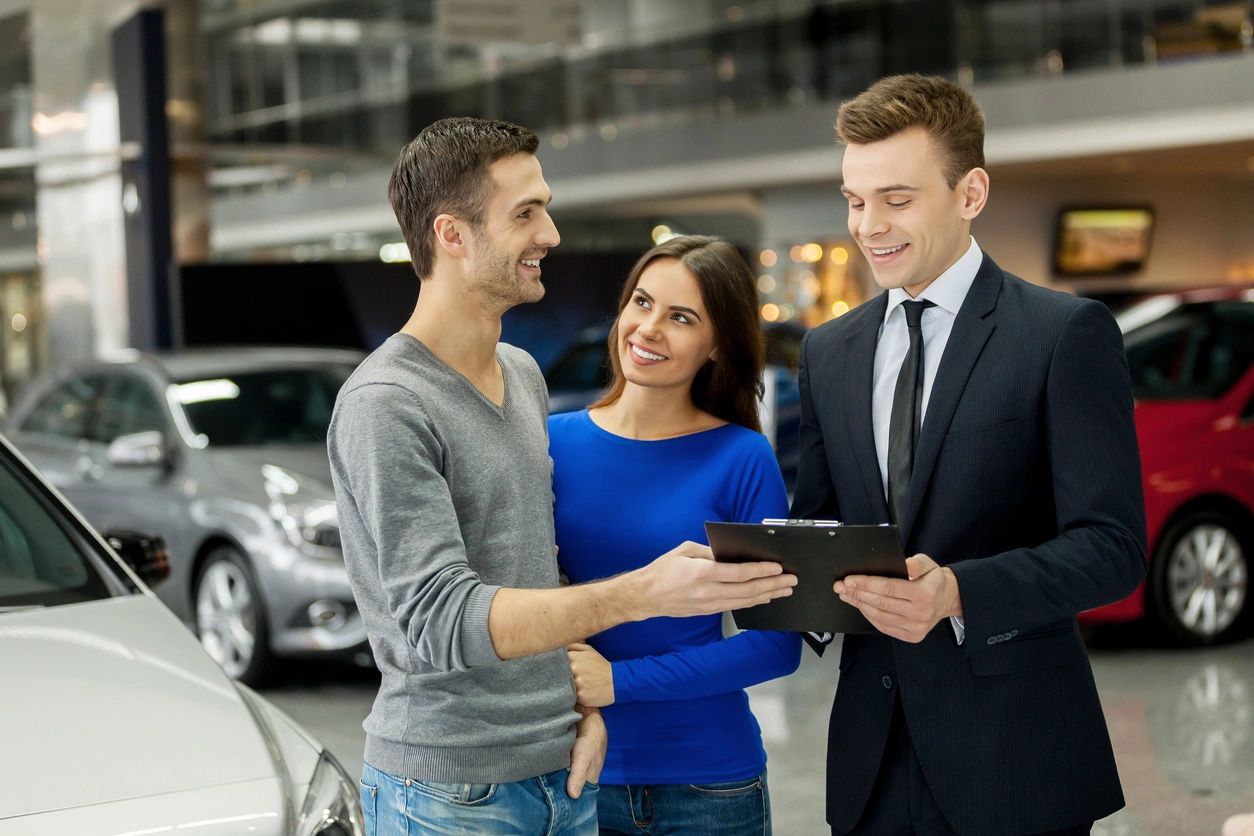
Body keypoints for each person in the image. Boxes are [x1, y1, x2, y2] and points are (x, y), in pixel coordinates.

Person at [327, 118, 796, 836]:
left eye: (544, 208)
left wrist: (583, 709)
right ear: (452, 235)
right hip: (453, 790)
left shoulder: (521, 375)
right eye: (526, 213)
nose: (549, 234)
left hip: (563, 770)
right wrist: (643, 595)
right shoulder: (386, 404)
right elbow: (443, 620)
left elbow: (540, 573)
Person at [790, 75, 1147, 835]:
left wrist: (956, 592)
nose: (868, 225)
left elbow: (1112, 549)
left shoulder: (1063, 334)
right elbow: (823, 523)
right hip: (871, 763)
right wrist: (775, 580)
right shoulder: (829, 351)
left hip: (1017, 757)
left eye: (897, 198)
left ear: (971, 193)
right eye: (855, 200)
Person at [551, 236, 803, 836]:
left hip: (709, 785)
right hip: (573, 778)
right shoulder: (550, 444)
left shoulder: (743, 457)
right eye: (641, 302)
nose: (649, 328)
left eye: (681, 317)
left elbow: (776, 645)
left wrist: (618, 682)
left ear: (717, 346)